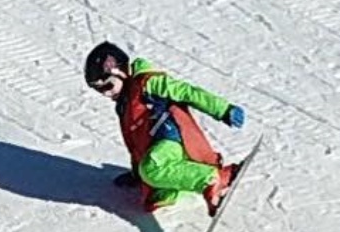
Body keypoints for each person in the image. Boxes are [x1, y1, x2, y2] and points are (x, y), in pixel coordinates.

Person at [84, 43, 245, 214]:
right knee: (153, 185)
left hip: (172, 138)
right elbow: (134, 144)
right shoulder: (123, 105)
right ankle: (224, 175)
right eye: (100, 91)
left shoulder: (148, 83)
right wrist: (136, 174)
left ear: (121, 72)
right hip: (157, 146)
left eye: (108, 86)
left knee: (152, 168)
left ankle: (211, 180)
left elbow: (186, 92)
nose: (107, 94)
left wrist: (222, 109)